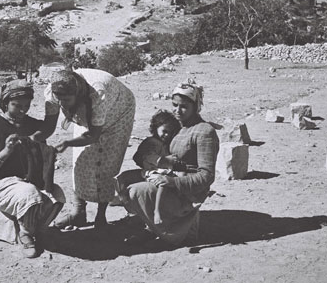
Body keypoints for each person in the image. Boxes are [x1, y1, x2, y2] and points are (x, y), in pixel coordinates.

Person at [119, 79, 219, 246]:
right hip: (165, 177)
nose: (177, 110)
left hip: (185, 189)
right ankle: (152, 226)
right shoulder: (174, 126)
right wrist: (152, 158)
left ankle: (181, 230)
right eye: (174, 105)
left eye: (184, 106)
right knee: (124, 181)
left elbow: (207, 176)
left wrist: (173, 181)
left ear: (196, 106)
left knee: (136, 191)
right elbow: (144, 154)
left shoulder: (204, 131)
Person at [34, 68, 136, 229]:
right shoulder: (53, 92)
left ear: (77, 95)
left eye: (66, 100)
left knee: (107, 164)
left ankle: (100, 216)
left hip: (118, 112)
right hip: (89, 113)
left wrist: (68, 143)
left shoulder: (97, 94)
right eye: (59, 99)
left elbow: (93, 136)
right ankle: (79, 213)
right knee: (80, 162)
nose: (61, 104)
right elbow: (48, 126)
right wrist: (31, 140)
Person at [0, 80, 64, 258]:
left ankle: (39, 230)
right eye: (17, 105)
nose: (23, 110)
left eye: (27, 105)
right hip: (2, 184)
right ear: (5, 103)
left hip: (28, 180)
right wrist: (6, 151)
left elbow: (46, 132)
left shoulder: (32, 125)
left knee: (56, 195)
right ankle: (25, 234)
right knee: (29, 192)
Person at [132, 110, 186, 225]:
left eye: (170, 133)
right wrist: (164, 160)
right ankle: (157, 211)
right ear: (156, 127)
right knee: (163, 182)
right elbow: (147, 157)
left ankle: (186, 203)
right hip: (152, 171)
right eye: (164, 131)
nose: (166, 135)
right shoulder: (151, 142)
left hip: (163, 170)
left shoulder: (164, 143)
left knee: (182, 176)